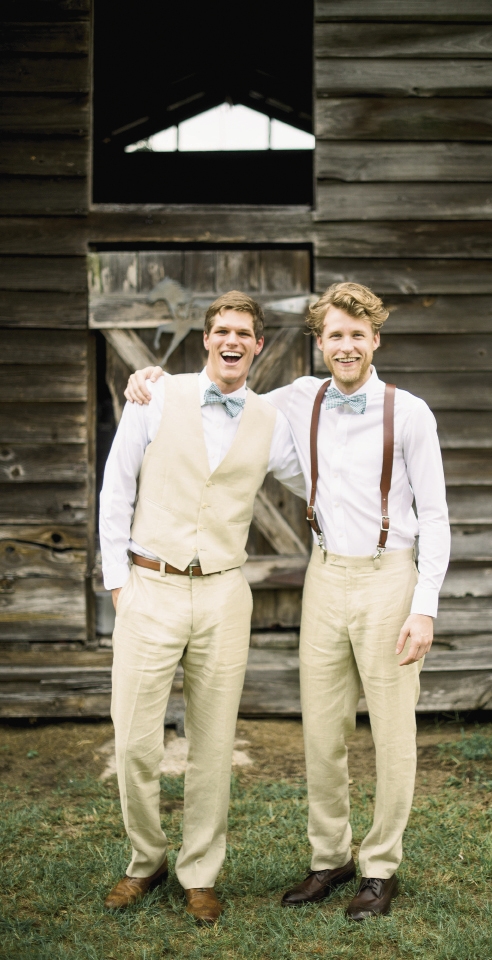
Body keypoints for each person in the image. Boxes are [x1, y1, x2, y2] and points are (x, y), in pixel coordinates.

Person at [125, 282, 450, 921]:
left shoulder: (411, 412)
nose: (346, 345)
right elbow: (223, 398)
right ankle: (329, 858)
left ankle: (381, 866)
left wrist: (425, 604)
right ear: (319, 343)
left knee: (392, 732)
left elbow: (436, 516)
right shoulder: (296, 400)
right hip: (324, 576)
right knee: (322, 731)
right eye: (335, 335)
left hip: (390, 578)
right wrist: (155, 380)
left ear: (375, 340)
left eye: (358, 334)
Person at [99, 291, 305, 923]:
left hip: (223, 591)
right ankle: (145, 860)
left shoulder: (268, 420)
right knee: (135, 740)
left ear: (259, 346)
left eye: (244, 332)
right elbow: (117, 484)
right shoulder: (156, 394)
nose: (232, 341)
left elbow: (320, 478)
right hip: (149, 585)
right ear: (206, 339)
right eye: (221, 331)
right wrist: (118, 583)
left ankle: (200, 873)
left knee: (213, 743)